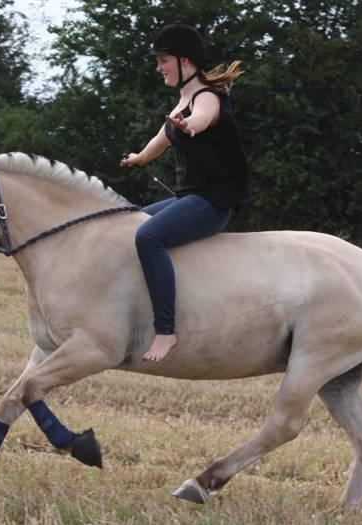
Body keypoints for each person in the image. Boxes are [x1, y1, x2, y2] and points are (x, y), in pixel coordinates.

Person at [120, 23, 250, 362]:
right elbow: (158, 143)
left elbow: (203, 119)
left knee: (148, 236)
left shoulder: (206, 97)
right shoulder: (181, 103)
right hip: (188, 198)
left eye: (163, 60)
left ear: (185, 61)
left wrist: (192, 124)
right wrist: (138, 158)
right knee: (124, 224)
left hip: (214, 201)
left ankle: (165, 331)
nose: (159, 68)